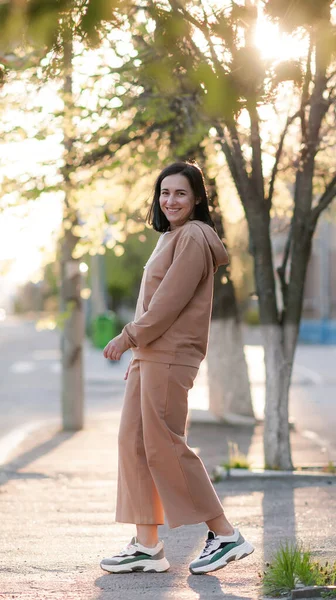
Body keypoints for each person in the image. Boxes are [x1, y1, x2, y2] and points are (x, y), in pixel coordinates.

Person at [100, 161, 254, 575]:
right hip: (151, 355)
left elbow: (167, 302)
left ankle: (225, 534)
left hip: (171, 355)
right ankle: (147, 545)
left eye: (180, 193)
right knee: (132, 442)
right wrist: (138, 354)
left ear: (198, 198)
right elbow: (152, 301)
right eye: (165, 193)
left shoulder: (195, 237)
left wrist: (127, 337)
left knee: (166, 445)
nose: (170, 200)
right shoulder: (171, 236)